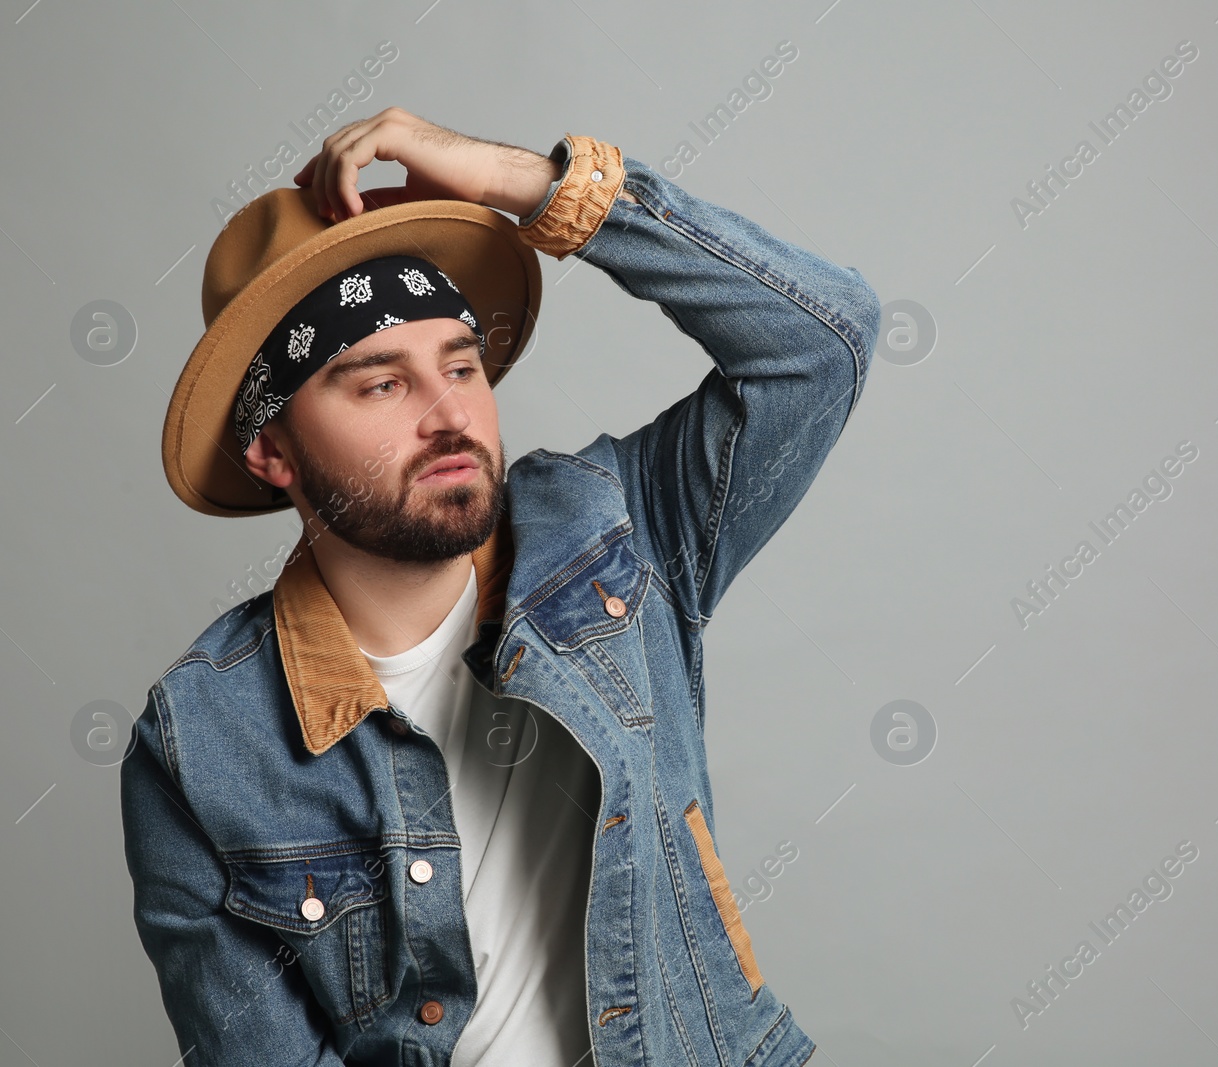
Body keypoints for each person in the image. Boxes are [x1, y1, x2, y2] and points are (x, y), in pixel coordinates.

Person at [122, 108, 880, 1067]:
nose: (450, 416)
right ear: (272, 450)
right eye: (379, 384)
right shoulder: (201, 740)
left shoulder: (613, 528)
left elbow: (824, 342)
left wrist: (525, 184)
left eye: (462, 365)